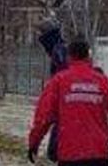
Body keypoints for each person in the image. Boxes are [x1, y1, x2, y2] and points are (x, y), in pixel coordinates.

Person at [27, 39, 108, 166]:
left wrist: (34, 142)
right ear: (88, 55)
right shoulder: (102, 81)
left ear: (69, 56)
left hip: (70, 152)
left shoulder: (59, 81)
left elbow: (43, 116)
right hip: (98, 152)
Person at [37, 20, 70, 162]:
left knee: (60, 129)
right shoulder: (60, 49)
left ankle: (56, 152)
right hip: (64, 100)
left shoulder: (59, 50)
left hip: (64, 100)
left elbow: (63, 75)